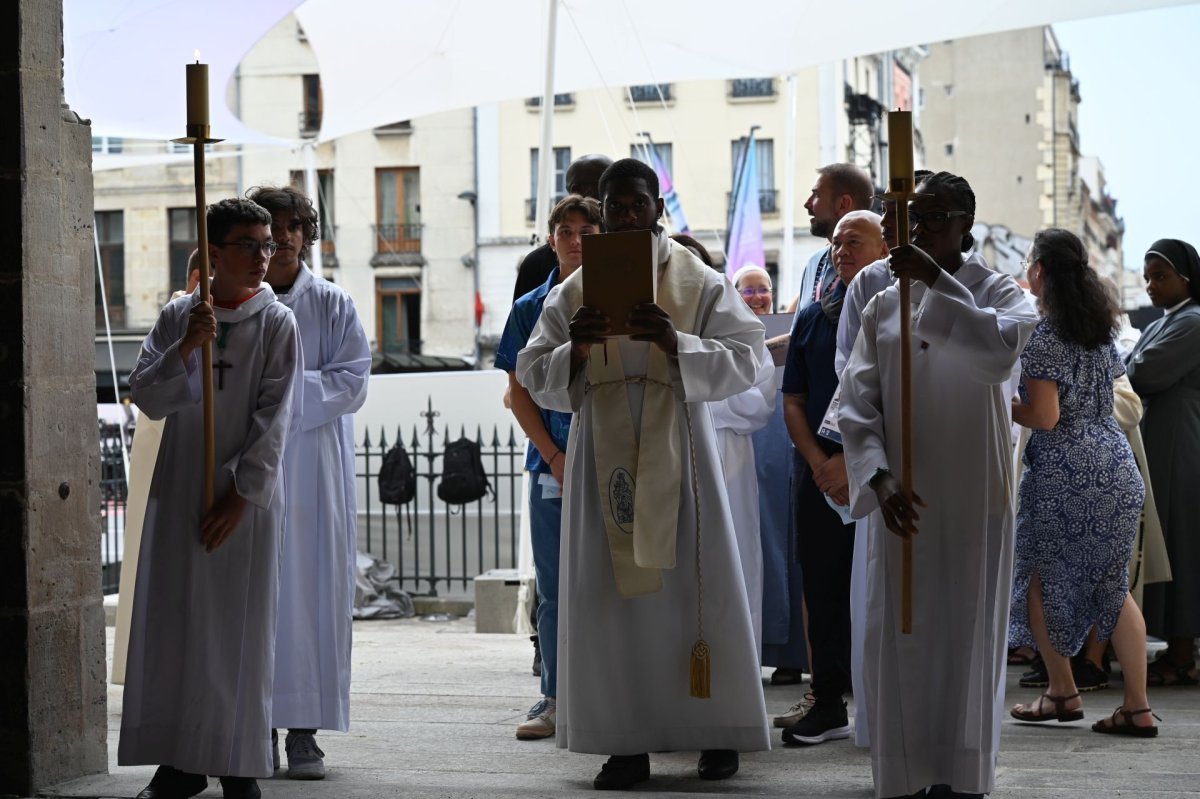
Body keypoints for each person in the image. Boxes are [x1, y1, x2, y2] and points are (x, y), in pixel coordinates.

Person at [516, 158, 770, 791]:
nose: (626, 214)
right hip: (602, 453)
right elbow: (531, 373)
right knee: (611, 599)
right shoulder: (571, 291)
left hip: (681, 451)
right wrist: (573, 347)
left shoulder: (700, 281)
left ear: (657, 207)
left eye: (637, 203)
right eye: (615, 205)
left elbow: (750, 359)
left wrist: (676, 343)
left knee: (693, 589)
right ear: (602, 211)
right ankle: (624, 742)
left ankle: (716, 734)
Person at [838, 171, 1038, 799]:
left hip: (974, 491)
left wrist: (932, 280)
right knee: (901, 634)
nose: (914, 230)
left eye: (928, 218)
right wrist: (877, 473)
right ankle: (905, 774)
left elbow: (999, 353)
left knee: (968, 628)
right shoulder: (878, 301)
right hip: (903, 496)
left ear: (963, 226)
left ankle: (962, 774)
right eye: (905, 217)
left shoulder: (999, 291)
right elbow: (856, 402)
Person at [119, 198, 302, 799]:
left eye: (268, 245)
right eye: (248, 245)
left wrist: (241, 496)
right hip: (179, 487)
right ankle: (179, 762)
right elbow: (146, 394)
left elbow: (276, 418)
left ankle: (238, 761)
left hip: (239, 501)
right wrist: (187, 348)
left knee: (236, 630)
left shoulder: (277, 323)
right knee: (176, 623)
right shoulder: (180, 315)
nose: (262, 257)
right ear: (214, 253)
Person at [1007, 228, 1158, 737]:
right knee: (1114, 588)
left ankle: (1062, 691)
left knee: (1038, 580)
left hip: (1065, 472)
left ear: (1040, 272)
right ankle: (1136, 707)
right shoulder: (1097, 329)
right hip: (1116, 467)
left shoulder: (1046, 337)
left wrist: (1001, 403)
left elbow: (1045, 417)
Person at [245, 185, 372, 779]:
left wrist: (277, 395)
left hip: (315, 466)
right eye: (275, 223)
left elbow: (351, 383)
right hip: (253, 465)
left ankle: (305, 734)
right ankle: (254, 728)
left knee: (313, 594)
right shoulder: (240, 303)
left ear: (307, 232)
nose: (287, 234)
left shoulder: (334, 304)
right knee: (255, 595)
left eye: (297, 224)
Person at [496, 194, 602, 740]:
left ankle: (610, 691)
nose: (576, 238)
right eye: (566, 229)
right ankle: (556, 696)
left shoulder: (619, 299)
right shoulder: (529, 309)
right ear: (550, 237)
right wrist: (556, 456)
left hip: (614, 460)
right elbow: (519, 393)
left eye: (588, 229)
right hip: (552, 464)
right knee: (557, 586)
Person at [780, 211, 887, 747]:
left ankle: (879, 701)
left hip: (873, 469)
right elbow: (793, 399)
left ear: (886, 246)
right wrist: (822, 463)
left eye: (855, 240)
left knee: (872, 590)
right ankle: (827, 702)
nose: (841, 249)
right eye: (836, 241)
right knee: (821, 587)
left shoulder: (896, 311)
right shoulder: (813, 316)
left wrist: (851, 458)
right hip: (818, 473)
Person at [1126, 238, 1200, 687]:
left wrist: (1131, 365)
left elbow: (1143, 372)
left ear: (1187, 278)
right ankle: (1177, 647)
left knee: (1180, 543)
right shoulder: (1173, 319)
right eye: (1148, 276)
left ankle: (1183, 650)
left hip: (1180, 439)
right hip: (1163, 437)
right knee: (1167, 539)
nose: (1152, 285)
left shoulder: (1192, 321)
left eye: (1161, 276)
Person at [711, 265, 776, 651]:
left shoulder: (746, 341)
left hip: (734, 459)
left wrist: (709, 400)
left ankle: (740, 653)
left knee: (738, 553)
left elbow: (758, 407)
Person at [513, 154, 613, 300]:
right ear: (576, 191)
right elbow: (523, 319)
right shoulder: (535, 265)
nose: (614, 197)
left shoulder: (627, 252)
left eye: (586, 232)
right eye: (604, 188)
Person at [793, 163, 876, 314]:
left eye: (817, 195)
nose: (807, 204)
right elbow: (799, 334)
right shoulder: (814, 262)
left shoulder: (877, 262)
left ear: (843, 203)